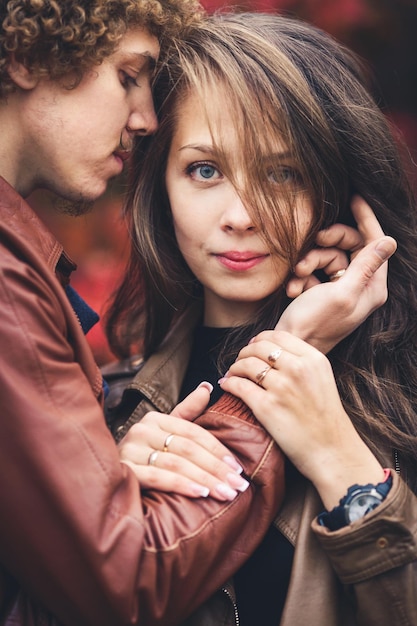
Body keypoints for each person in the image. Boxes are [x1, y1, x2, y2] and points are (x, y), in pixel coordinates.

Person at [104, 11, 417, 625]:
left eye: (281, 172)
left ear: (335, 186)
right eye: (205, 170)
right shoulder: (104, 405)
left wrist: (342, 462)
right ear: (159, 186)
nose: (241, 215)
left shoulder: (402, 395)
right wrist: (112, 497)